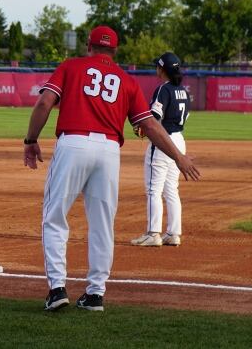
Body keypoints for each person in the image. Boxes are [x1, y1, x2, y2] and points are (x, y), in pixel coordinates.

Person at [23, 26, 200, 312]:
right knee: (102, 224)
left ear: (88, 46)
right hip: (108, 151)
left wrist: (31, 140)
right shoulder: (127, 81)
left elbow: (44, 102)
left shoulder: (71, 66)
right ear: (115, 51)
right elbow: (150, 125)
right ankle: (95, 294)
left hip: (74, 143)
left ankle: (57, 289)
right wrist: (179, 157)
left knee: (55, 217)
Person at [131, 52, 190, 247]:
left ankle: (153, 233)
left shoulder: (162, 90)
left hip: (163, 142)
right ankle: (173, 233)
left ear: (161, 69)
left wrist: (142, 129)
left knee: (153, 189)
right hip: (179, 140)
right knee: (171, 189)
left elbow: (154, 119)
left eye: (158, 66)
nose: (156, 68)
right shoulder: (183, 90)